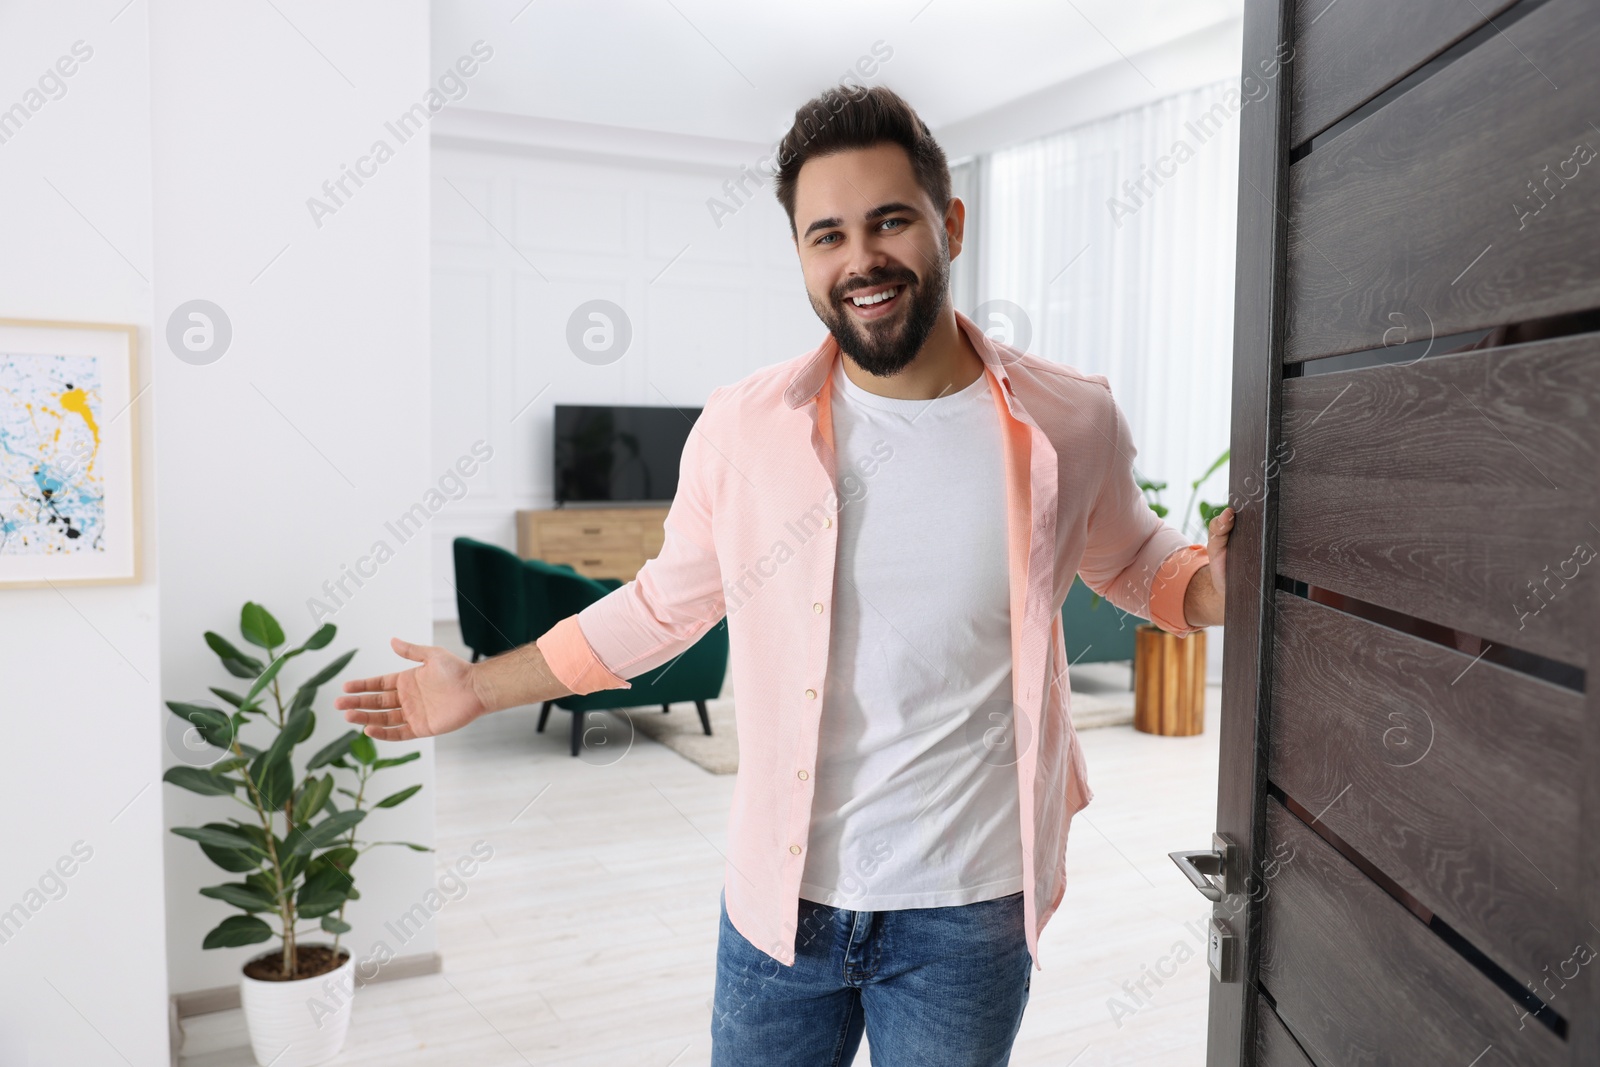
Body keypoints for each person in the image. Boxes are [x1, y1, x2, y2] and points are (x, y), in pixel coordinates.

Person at [336, 84, 1233, 1066]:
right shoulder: (743, 427)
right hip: (780, 908)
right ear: (802, 254)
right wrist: (476, 683)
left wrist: (1212, 586)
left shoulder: (1069, 419)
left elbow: (1137, 557)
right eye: (826, 234)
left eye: (889, 220)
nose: (861, 260)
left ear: (951, 223)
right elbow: (659, 608)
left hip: (968, 908)